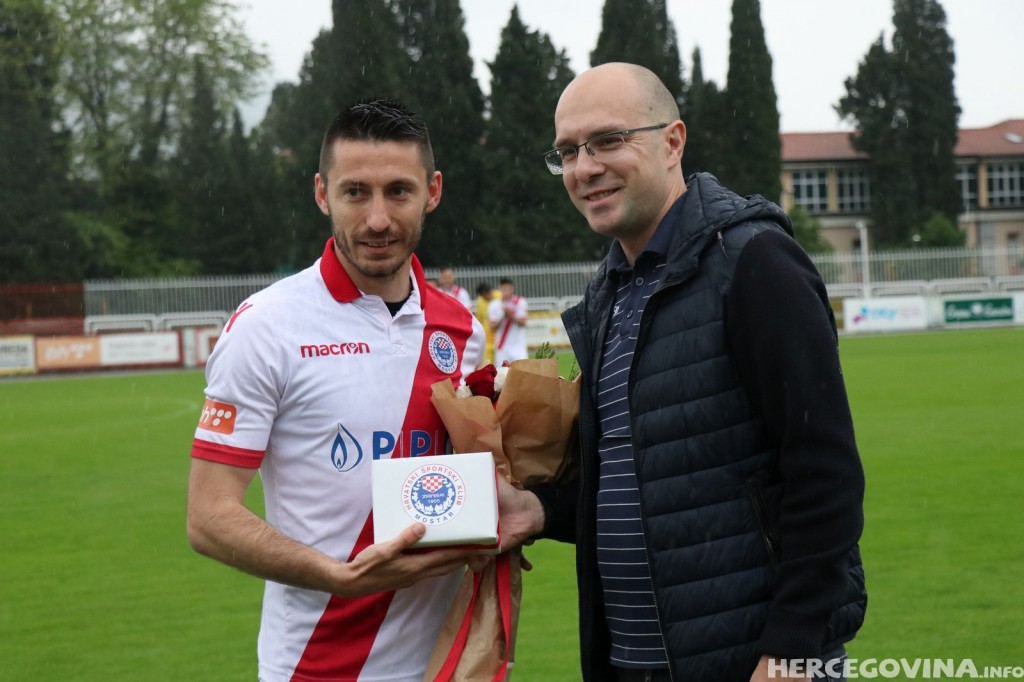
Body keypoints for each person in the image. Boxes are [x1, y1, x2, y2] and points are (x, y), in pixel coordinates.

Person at [507, 62, 868, 682]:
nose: (583, 167)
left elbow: (825, 473)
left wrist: (792, 648)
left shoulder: (754, 261)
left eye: (607, 141)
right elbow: (649, 481)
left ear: (672, 141)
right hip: (636, 664)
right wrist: (538, 510)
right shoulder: (609, 295)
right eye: (567, 151)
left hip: (754, 662)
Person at [185, 98, 487, 682]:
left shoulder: (462, 328)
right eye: (356, 193)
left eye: (398, 190)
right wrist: (335, 575)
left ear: (434, 191)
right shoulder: (266, 327)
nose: (377, 219)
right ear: (322, 194)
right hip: (318, 665)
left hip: (448, 663)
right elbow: (208, 517)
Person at [487, 277, 529, 366]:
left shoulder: (519, 302)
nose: (506, 292)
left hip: (518, 346)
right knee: (502, 377)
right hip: (501, 347)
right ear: (500, 289)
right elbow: (492, 328)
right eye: (504, 289)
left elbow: (523, 323)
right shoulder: (494, 305)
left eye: (508, 289)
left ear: (512, 289)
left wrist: (511, 316)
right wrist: (503, 316)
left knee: (523, 374)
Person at [474, 281, 497, 365]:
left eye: (484, 296)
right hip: (487, 341)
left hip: (500, 340)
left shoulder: (500, 296)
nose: (483, 298)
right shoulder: (480, 302)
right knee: (488, 366)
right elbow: (479, 321)